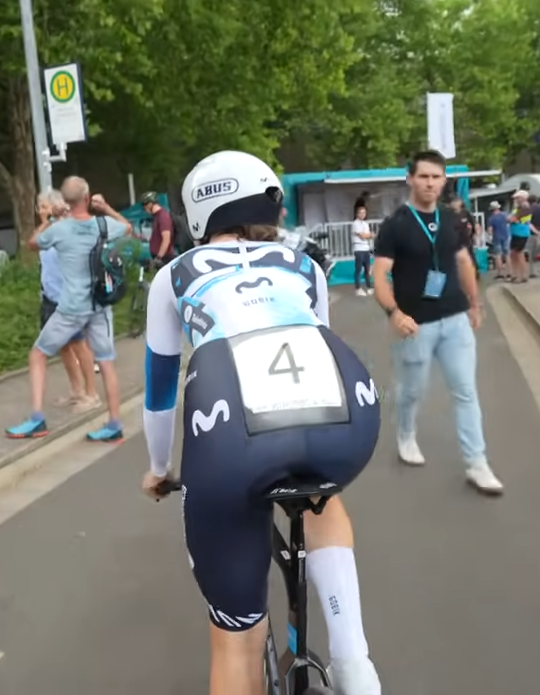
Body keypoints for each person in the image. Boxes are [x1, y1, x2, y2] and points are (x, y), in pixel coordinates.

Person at [142, 150, 382, 695]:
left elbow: (159, 394)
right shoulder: (305, 266)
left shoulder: (174, 275)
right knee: (321, 495)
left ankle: (256, 646)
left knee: (236, 638)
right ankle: (354, 661)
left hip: (232, 436)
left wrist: (158, 467)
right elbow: (317, 346)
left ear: (199, 213)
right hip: (346, 417)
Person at [371, 150, 503, 494]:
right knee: (412, 390)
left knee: (465, 391)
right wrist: (394, 313)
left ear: (444, 180)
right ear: (410, 179)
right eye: (423, 176)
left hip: (455, 319)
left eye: (436, 177)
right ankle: (406, 434)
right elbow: (380, 276)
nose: (430, 183)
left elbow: (463, 263)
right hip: (415, 325)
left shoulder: (451, 219)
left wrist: (474, 303)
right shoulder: (396, 225)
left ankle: (477, 463)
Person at [8, 177, 132, 442]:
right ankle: (114, 424)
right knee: (106, 363)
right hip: (100, 305)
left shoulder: (60, 230)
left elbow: (32, 243)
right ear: (87, 198)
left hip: (71, 308)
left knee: (38, 355)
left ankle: (37, 420)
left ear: (64, 201)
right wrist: (106, 207)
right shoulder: (102, 224)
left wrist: (48, 219)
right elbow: (128, 228)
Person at [34, 189, 100, 412]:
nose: (41, 211)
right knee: (63, 346)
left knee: (79, 345)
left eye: (44, 206)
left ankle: (92, 394)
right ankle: (76, 390)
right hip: (50, 298)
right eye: (39, 207)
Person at [141, 191, 176, 266]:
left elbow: (166, 239)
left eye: (145, 204)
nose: (144, 208)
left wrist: (159, 257)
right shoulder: (156, 216)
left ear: (150, 204)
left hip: (164, 258)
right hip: (158, 257)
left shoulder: (163, 216)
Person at [508, 190, 533, 283]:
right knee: (514, 254)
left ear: (523, 198)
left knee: (518, 254)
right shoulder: (519, 207)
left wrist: (510, 219)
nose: (515, 199)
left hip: (521, 233)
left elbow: (512, 219)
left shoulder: (524, 207)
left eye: (517, 198)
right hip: (516, 232)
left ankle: (521, 275)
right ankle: (516, 274)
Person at [351, 201, 374, 295]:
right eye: (360, 213)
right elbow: (363, 236)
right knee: (358, 270)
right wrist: (369, 235)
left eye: (364, 213)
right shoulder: (355, 223)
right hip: (358, 248)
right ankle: (358, 288)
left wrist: (369, 235)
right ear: (357, 214)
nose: (362, 214)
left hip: (366, 248)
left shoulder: (366, 224)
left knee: (367, 269)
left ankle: (369, 287)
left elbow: (368, 235)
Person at [486, 201, 511, 280]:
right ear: (498, 208)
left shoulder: (491, 218)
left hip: (496, 238)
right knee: (507, 255)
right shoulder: (505, 215)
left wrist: (490, 235)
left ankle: (500, 274)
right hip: (506, 236)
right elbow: (509, 221)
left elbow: (490, 230)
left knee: (498, 256)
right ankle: (509, 273)